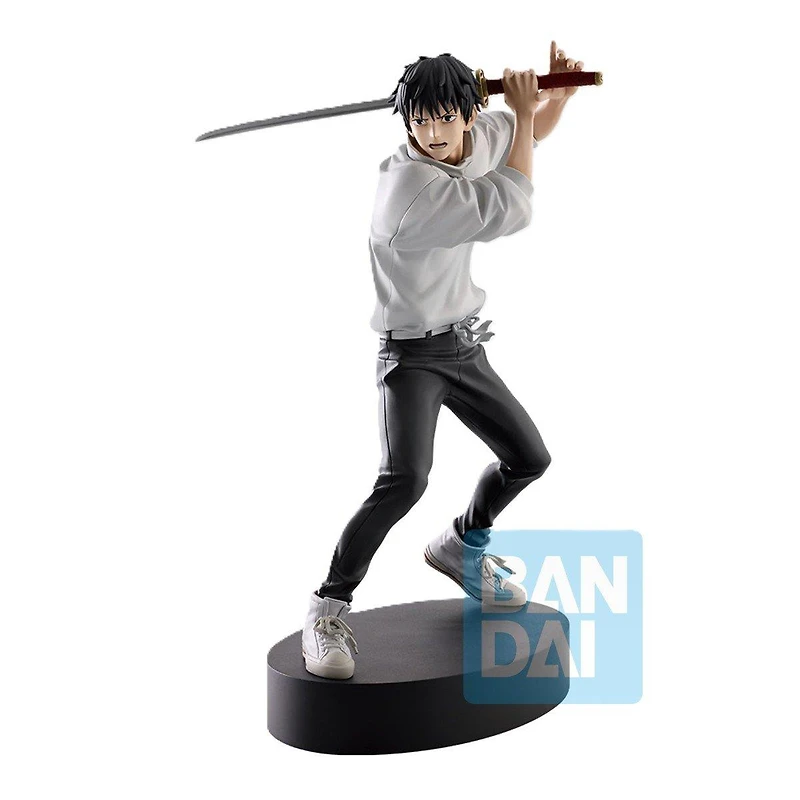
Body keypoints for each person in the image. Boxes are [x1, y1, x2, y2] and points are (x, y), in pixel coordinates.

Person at [302, 44, 585, 680]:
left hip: (463, 343)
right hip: (411, 355)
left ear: (467, 115)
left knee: (529, 457)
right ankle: (328, 605)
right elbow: (515, 207)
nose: (431, 134)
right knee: (404, 480)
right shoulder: (408, 193)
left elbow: (527, 136)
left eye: (443, 118)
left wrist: (551, 102)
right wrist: (522, 109)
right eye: (418, 120)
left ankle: (462, 545)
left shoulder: (469, 140)